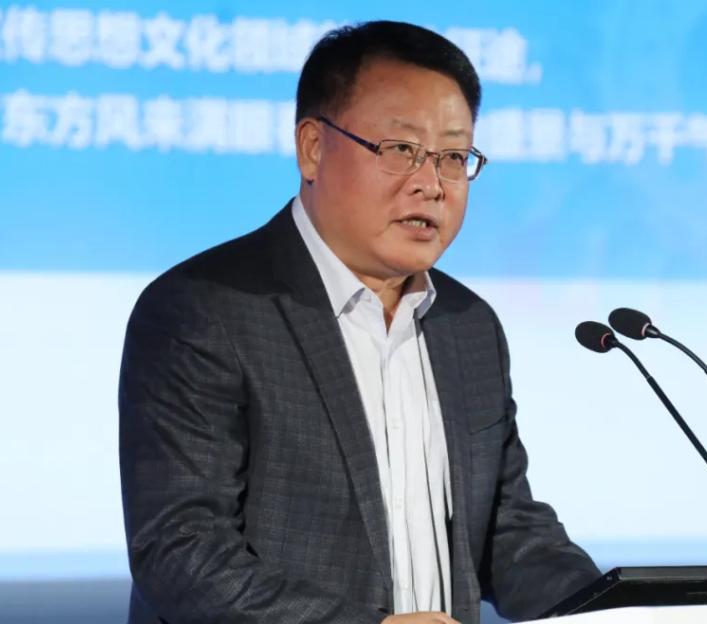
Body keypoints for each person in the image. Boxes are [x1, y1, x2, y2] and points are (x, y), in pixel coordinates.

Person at [118, 20, 600, 624]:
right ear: (313, 148)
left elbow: (509, 533)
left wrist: (619, 608)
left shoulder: (469, 325)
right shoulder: (205, 310)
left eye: (454, 157)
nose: (431, 184)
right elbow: (181, 551)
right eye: (401, 150)